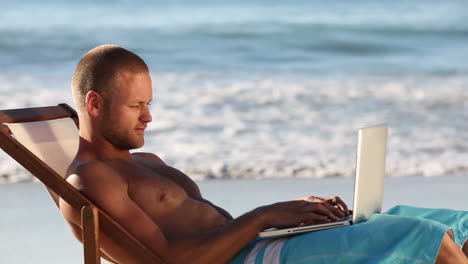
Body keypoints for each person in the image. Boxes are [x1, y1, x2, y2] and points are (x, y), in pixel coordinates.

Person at [60, 44, 468, 264]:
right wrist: (265, 216)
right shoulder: (92, 180)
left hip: (262, 243)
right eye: (136, 106)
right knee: (424, 237)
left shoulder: (147, 164)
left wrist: (289, 216)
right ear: (94, 104)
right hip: (255, 257)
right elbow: (167, 261)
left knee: (454, 224)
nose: (149, 116)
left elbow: (211, 229)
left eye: (149, 103)